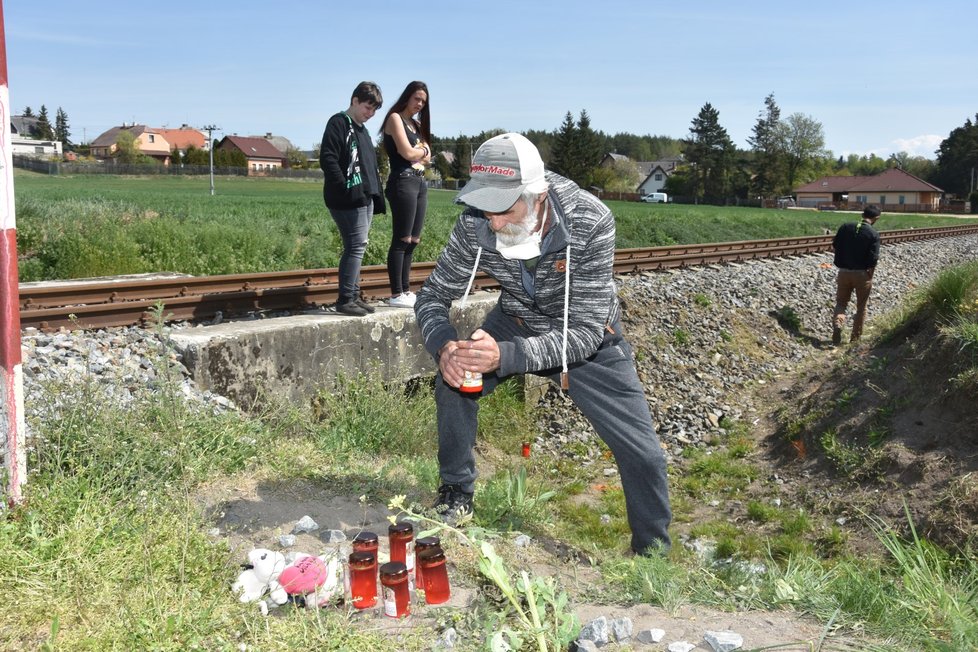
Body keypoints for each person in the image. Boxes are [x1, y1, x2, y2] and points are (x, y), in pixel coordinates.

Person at [414, 133, 672, 556]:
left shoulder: (591, 221)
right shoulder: (475, 222)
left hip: (587, 336)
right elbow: (432, 296)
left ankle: (651, 553)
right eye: (485, 208)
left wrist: (508, 357)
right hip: (515, 320)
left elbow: (586, 332)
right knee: (455, 379)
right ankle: (456, 494)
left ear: (539, 195)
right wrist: (444, 346)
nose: (493, 222)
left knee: (644, 455)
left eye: (505, 209)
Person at [319, 81, 386, 317]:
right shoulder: (339, 122)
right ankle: (346, 299)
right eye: (368, 107)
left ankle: (354, 296)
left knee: (359, 246)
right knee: (356, 246)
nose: (371, 114)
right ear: (355, 101)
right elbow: (328, 159)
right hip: (347, 198)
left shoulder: (362, 130)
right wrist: (346, 189)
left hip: (364, 197)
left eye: (375, 110)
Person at [380, 81, 432, 309]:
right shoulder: (395, 119)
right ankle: (396, 293)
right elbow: (407, 151)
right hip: (402, 182)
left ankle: (406, 290)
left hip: (419, 182)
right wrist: (422, 152)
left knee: (413, 240)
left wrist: (421, 153)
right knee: (401, 239)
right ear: (407, 97)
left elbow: (428, 156)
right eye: (416, 99)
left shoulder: (415, 124)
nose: (419, 104)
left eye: (423, 101)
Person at [831, 205, 882, 345]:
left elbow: (835, 245)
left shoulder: (845, 227)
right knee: (861, 307)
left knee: (841, 303)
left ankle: (838, 324)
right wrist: (869, 274)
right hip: (862, 275)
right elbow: (873, 259)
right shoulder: (873, 234)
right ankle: (855, 339)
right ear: (876, 218)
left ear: (862, 214)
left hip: (843, 272)